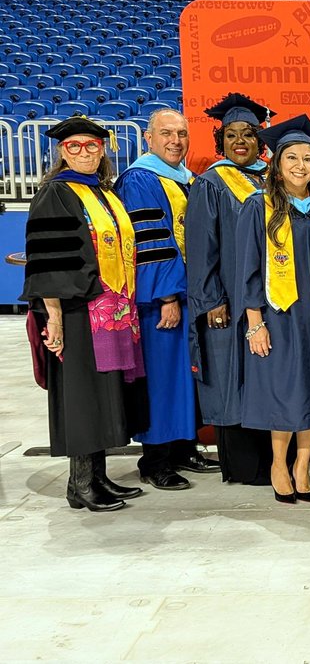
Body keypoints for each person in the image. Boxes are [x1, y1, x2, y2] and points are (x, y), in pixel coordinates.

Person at [22, 117, 149, 512]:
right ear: (62, 152)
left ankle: (98, 477)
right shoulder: (54, 195)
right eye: (73, 146)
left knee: (103, 396)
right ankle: (80, 485)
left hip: (110, 311)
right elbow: (49, 263)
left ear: (103, 148)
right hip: (78, 314)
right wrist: (54, 318)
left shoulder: (104, 193)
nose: (83, 153)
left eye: (91, 145)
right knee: (82, 398)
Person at [237, 115, 310, 504]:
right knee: (284, 389)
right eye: (292, 158)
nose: (301, 165)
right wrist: (254, 323)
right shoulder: (257, 207)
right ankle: (278, 463)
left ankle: (303, 464)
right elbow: (246, 268)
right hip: (278, 316)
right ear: (277, 165)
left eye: (308, 158)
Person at [115, 109, 219, 490]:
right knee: (161, 377)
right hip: (162, 297)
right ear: (148, 137)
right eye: (166, 133)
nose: (175, 141)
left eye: (181, 133)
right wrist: (166, 297)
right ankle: (155, 459)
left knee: (186, 375)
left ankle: (183, 448)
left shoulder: (187, 179)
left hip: (190, 294)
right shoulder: (140, 179)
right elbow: (149, 242)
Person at [185, 93, 274, 486]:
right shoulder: (211, 183)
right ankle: (243, 467)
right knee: (230, 379)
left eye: (249, 134)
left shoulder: (274, 178)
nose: (241, 141)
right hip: (228, 300)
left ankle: (275, 460)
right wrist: (211, 300)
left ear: (261, 140)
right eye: (232, 135)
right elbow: (202, 247)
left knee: (265, 375)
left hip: (268, 299)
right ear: (220, 142)